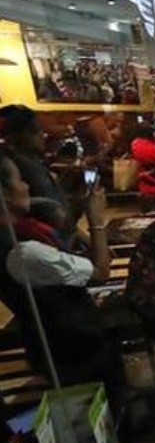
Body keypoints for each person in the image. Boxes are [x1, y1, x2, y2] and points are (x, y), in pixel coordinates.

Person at [0, 151, 126, 414]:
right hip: (73, 345)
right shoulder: (22, 252)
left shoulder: (21, 231)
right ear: (5, 195)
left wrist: (78, 209)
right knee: (106, 411)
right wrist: (96, 221)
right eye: (19, 181)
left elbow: (58, 248)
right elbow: (101, 271)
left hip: (53, 337)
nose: (26, 186)